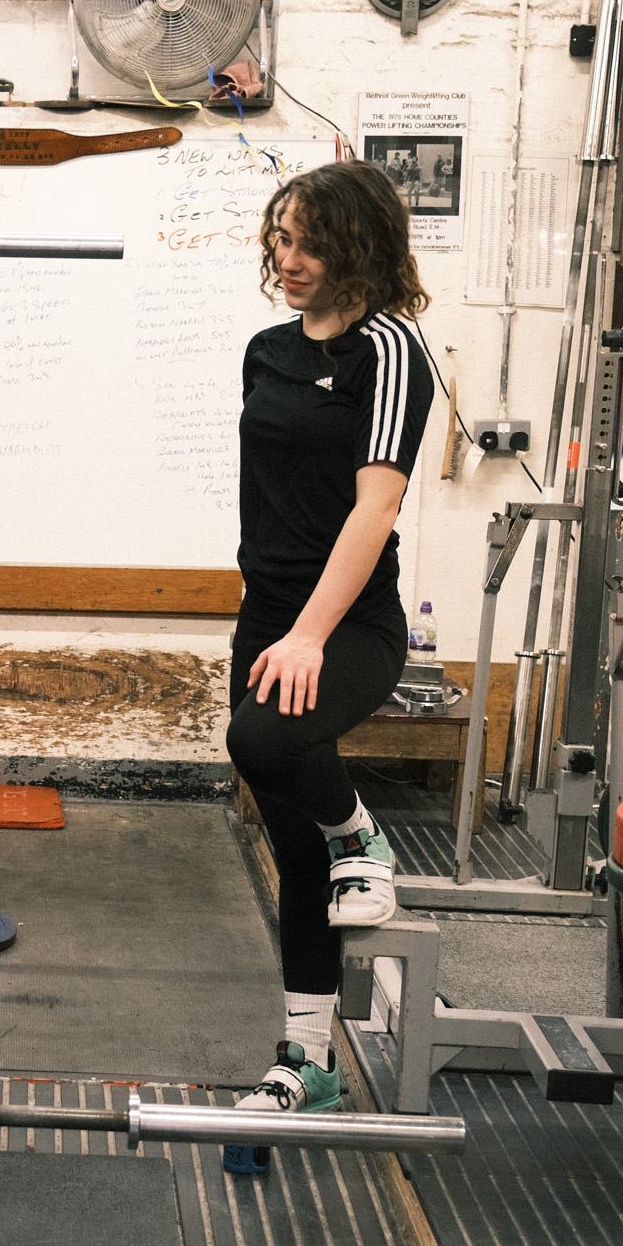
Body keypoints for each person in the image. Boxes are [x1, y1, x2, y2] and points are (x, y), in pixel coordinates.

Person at [220, 161, 432, 1165]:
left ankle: (367, 838)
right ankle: (307, 1058)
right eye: (280, 238)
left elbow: (375, 504)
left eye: (308, 243)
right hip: (262, 614)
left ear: (357, 250)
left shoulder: (387, 352)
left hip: (345, 624)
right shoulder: (266, 350)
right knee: (286, 837)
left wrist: (306, 633)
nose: (286, 259)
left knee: (259, 736)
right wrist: (273, 623)